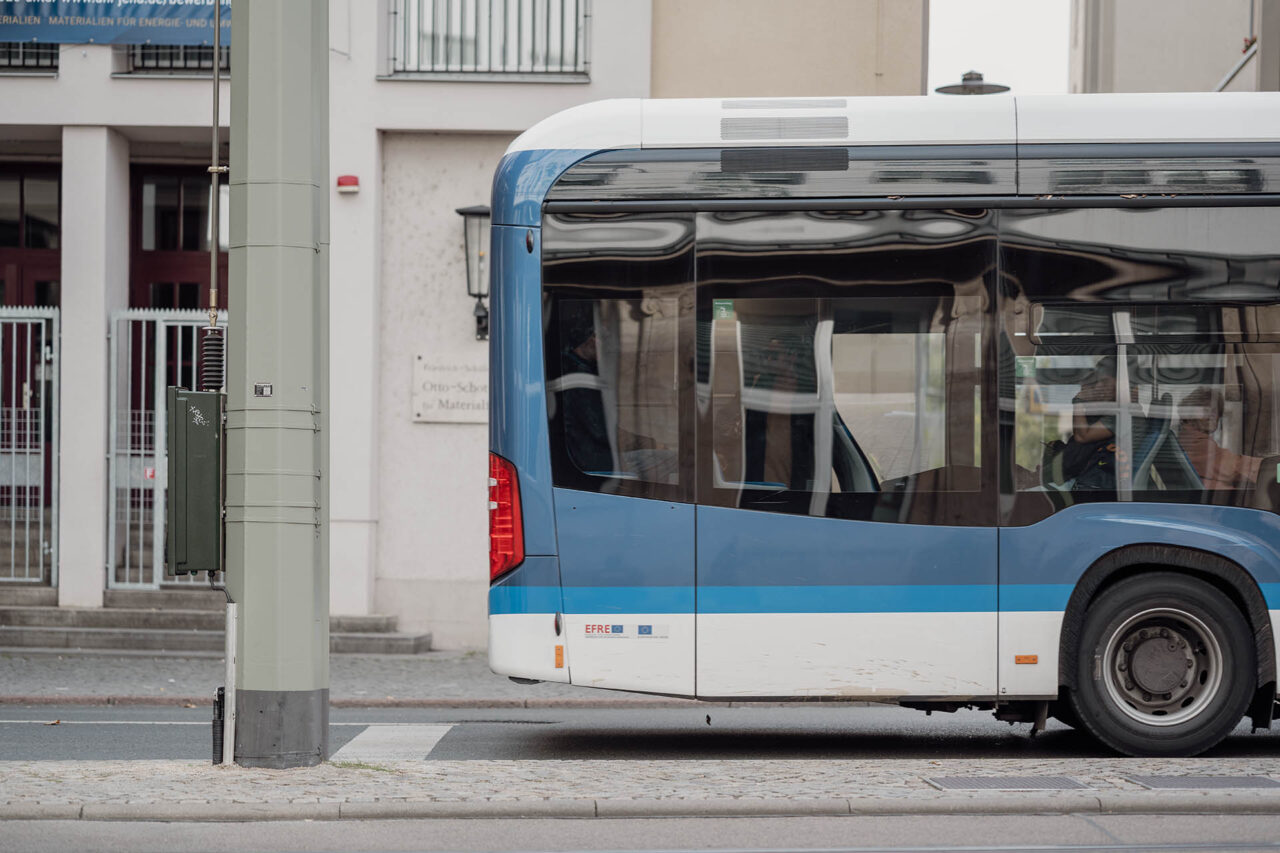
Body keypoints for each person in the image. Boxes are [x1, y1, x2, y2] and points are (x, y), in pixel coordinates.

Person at [1177, 386, 1261, 490]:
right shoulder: (1195, 443)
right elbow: (1236, 467)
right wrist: (1277, 469)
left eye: (1215, 411)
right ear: (1189, 413)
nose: (1212, 414)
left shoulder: (1190, 438)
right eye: (1205, 409)